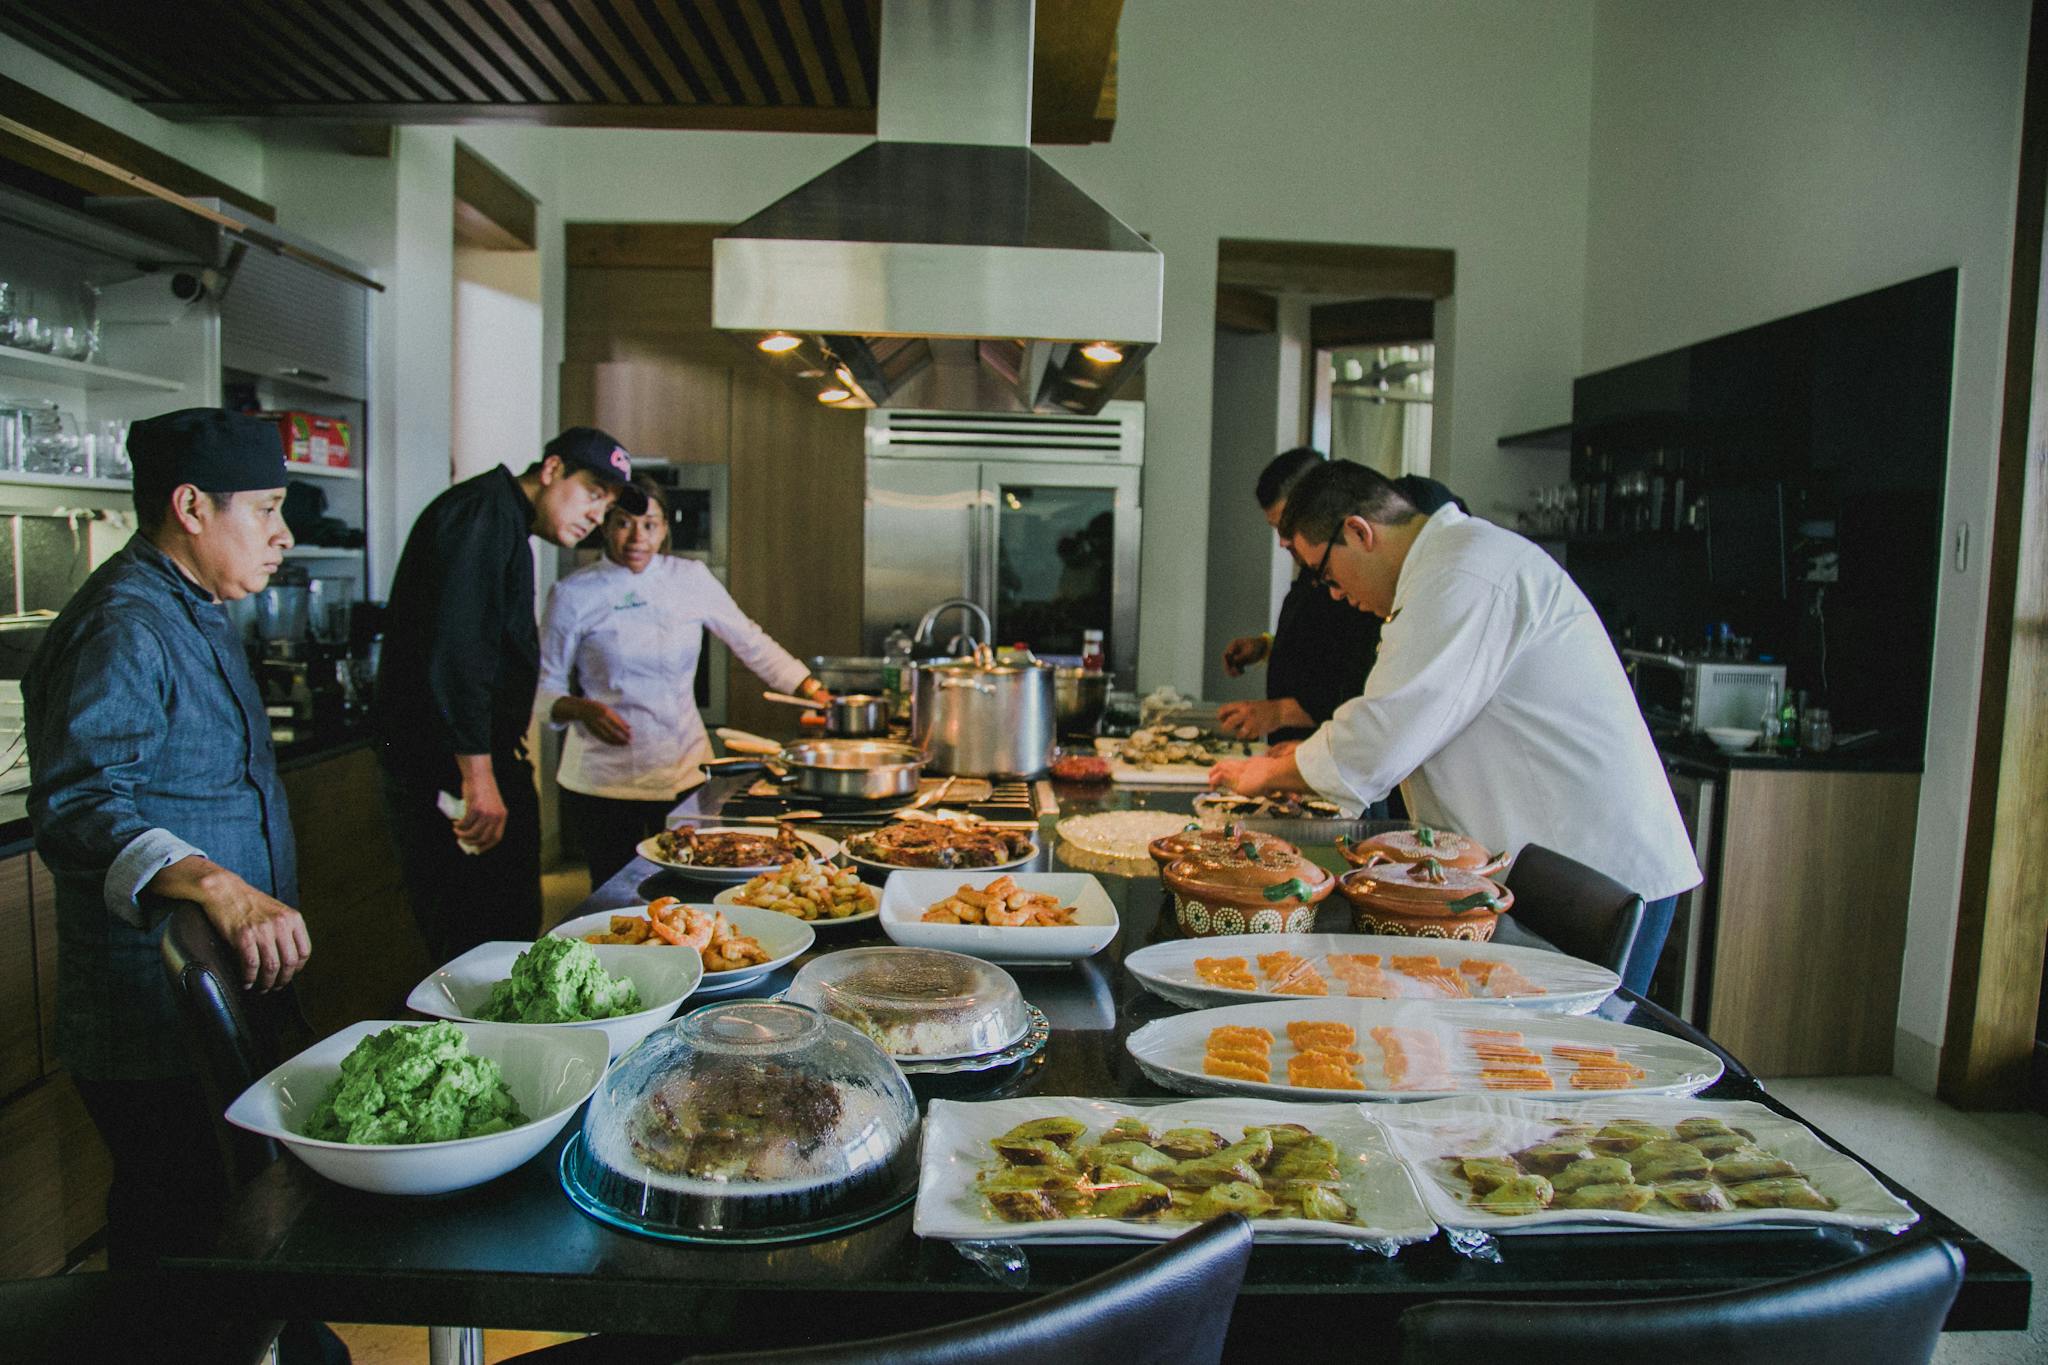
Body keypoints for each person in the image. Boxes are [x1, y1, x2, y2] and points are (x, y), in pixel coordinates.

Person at [1209, 460, 1699, 994]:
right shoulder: (1445, 569)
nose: (1332, 593)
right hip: (1551, 863)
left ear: (1359, 532)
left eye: (1324, 573)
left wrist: (1264, 775)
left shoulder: (1465, 572)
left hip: (1593, 876)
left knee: (1570, 1038)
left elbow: (1385, 732)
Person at [22, 409, 311, 1270]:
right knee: (177, 1226)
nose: (284, 535)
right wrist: (214, 882)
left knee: (231, 1217)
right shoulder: (127, 621)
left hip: (221, 986)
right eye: (265, 510)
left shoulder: (195, 605)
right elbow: (77, 804)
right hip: (151, 1005)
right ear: (190, 507)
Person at [375, 427, 644, 963]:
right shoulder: (479, 515)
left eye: (607, 505)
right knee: (479, 936)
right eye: (592, 493)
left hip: (479, 760)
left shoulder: (506, 521)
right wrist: (479, 777)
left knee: (509, 925)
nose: (596, 516)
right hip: (450, 769)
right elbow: (459, 654)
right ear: (552, 469)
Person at [537, 475, 828, 890]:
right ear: (604, 524)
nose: (637, 537)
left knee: (694, 886)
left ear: (664, 528)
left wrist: (813, 691)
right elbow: (543, 686)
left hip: (683, 769)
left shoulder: (690, 578)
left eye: (650, 524)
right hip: (604, 780)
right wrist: (580, 708)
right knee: (616, 892)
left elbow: (751, 642)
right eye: (623, 523)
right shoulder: (573, 593)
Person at [1217, 449, 1462, 746]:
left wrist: (1295, 734)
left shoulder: (1372, 575)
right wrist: (1268, 645)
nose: (1283, 541)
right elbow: (1321, 641)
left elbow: (1363, 685)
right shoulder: (1325, 558)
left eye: (1287, 526)